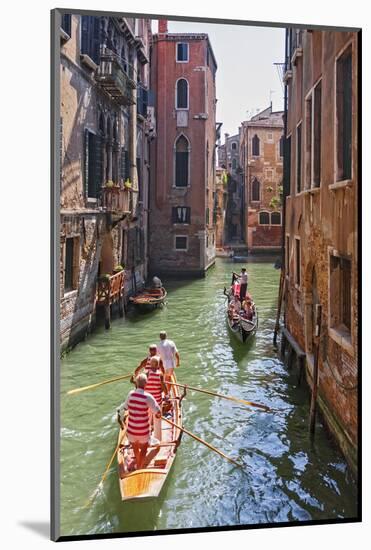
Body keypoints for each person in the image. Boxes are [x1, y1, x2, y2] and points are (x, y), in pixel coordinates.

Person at [117, 373, 161, 471]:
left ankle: (137, 462)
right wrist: (159, 415)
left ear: (136, 383)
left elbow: (125, 407)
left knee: (135, 448)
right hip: (143, 432)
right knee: (144, 449)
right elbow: (158, 412)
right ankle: (139, 468)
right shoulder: (148, 397)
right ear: (146, 384)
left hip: (131, 431)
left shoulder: (130, 394)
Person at [144, 356, 168, 441]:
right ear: (158, 365)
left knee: (146, 420)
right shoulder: (160, 374)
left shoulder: (146, 373)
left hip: (146, 401)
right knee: (157, 421)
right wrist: (167, 394)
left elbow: (142, 386)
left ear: (150, 364)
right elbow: (163, 385)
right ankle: (158, 439)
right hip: (157, 401)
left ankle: (146, 438)